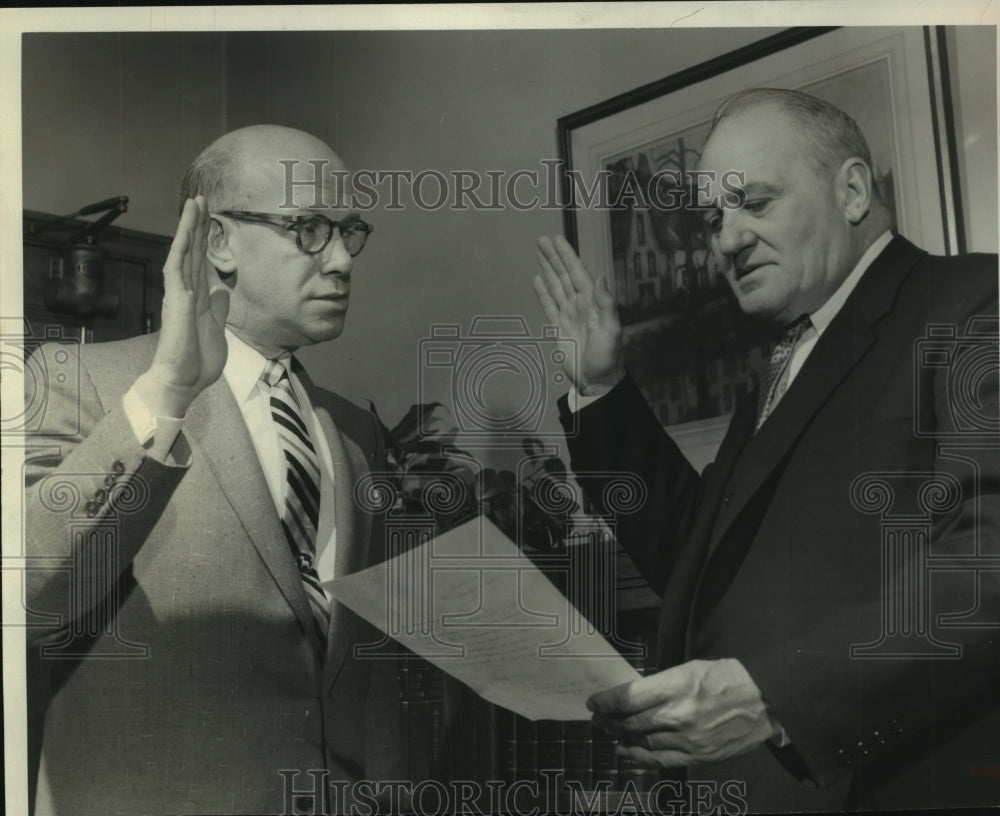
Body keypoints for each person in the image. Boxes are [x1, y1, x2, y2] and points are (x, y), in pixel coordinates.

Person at [533, 89, 999, 812]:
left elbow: (986, 565)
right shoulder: (786, 362)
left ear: (851, 191)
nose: (725, 239)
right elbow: (701, 558)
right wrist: (601, 390)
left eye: (754, 202)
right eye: (714, 218)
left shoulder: (974, 302)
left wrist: (772, 696)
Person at [25, 125, 400, 815]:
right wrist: (168, 388)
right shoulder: (81, 380)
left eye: (351, 231)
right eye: (310, 228)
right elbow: (31, 600)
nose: (344, 259)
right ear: (219, 242)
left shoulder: (355, 435)